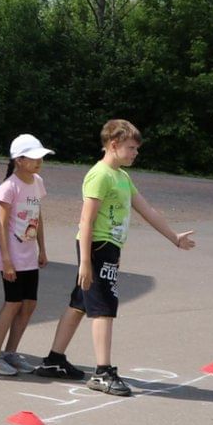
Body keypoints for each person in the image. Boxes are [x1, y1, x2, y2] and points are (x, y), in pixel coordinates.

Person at [34, 120, 196, 395]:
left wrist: (174, 237)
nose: (135, 153)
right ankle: (103, 373)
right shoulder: (100, 175)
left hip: (109, 247)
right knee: (104, 307)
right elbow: (86, 221)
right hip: (97, 247)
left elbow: (147, 209)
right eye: (131, 148)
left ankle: (54, 360)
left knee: (80, 303)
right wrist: (85, 261)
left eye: (136, 148)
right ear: (113, 145)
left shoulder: (122, 177)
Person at [0, 134, 52, 376]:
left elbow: (38, 215)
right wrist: (7, 260)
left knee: (29, 303)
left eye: (40, 157)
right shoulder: (9, 187)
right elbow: (1, 226)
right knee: (12, 303)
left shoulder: (37, 182)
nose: (39, 161)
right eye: (33, 158)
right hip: (10, 256)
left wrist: (42, 248)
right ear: (19, 160)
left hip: (29, 255)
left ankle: (10, 353)